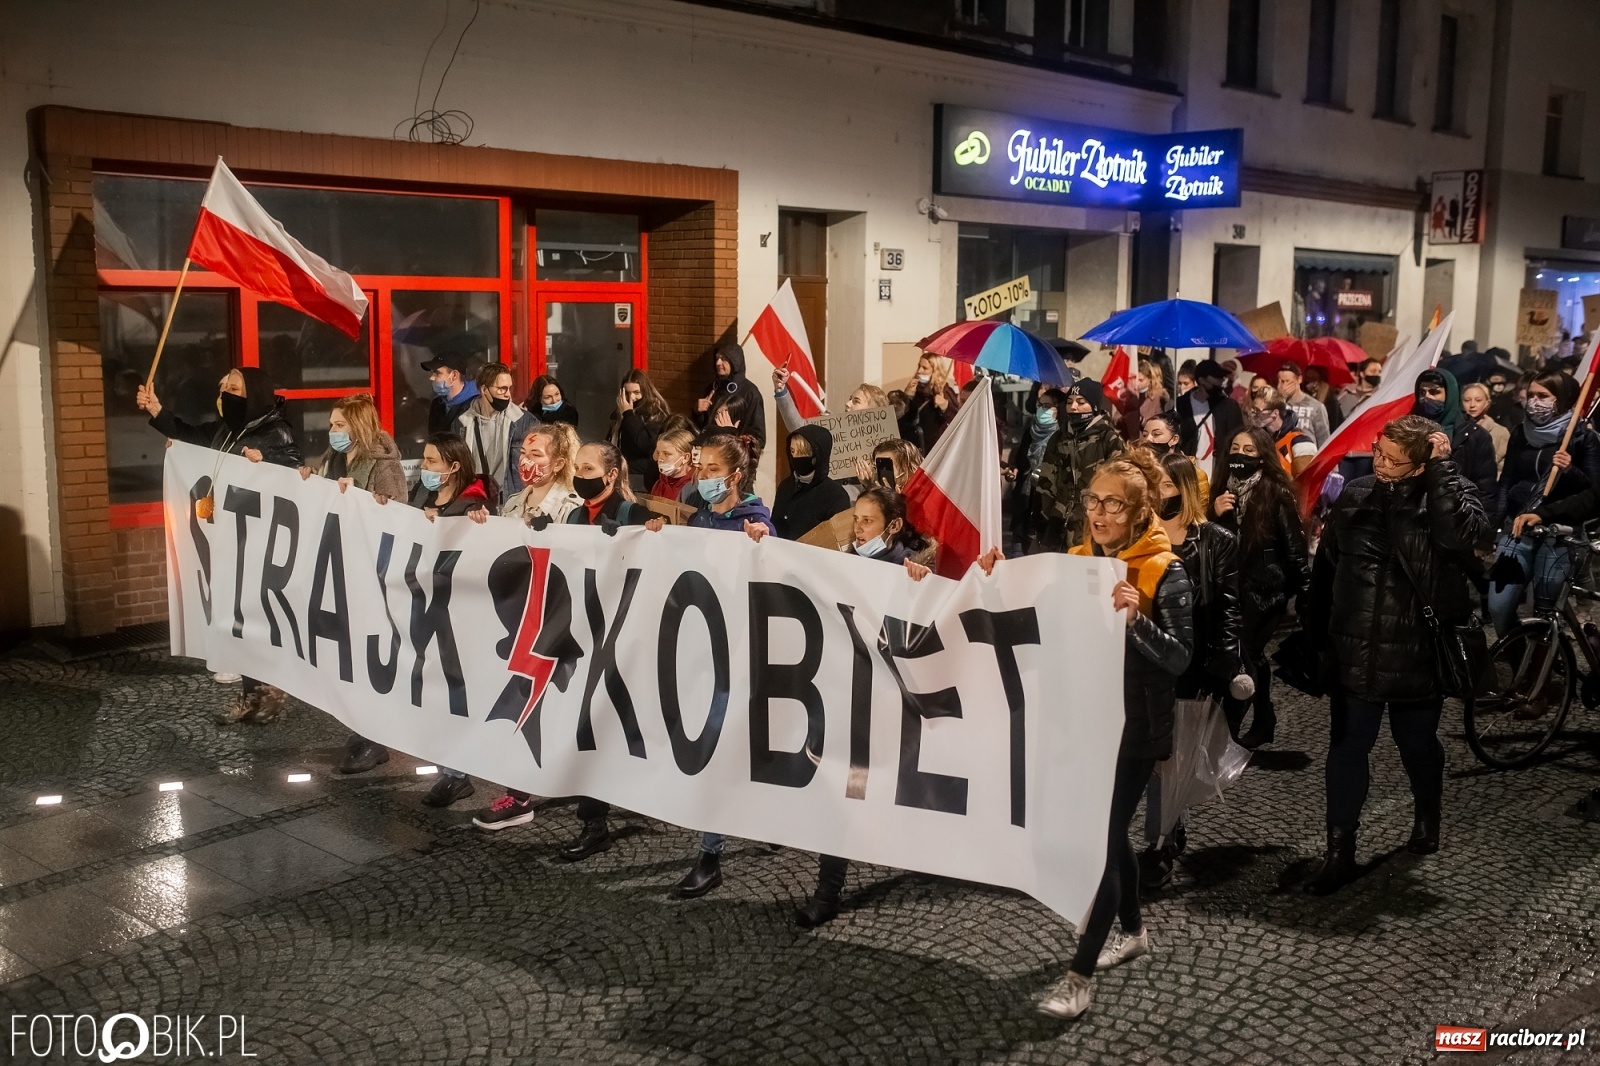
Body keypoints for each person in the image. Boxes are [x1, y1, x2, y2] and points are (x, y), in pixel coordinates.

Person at [1031, 450, 1193, 1019]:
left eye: (1113, 505)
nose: (1099, 514)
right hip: (1086, 721)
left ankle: (1078, 978)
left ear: (1138, 511)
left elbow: (1180, 658)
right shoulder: (1077, 561)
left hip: (1137, 730)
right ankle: (1135, 930)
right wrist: (995, 576)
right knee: (1111, 832)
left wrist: (1137, 621)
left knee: (1102, 842)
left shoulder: (1163, 570)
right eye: (1093, 501)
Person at [1302, 415, 1488, 894]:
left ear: (1420, 464)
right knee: (1346, 751)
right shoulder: (1358, 492)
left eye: (1393, 460)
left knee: (1417, 746)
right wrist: (1314, 634)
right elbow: (1328, 566)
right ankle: (1339, 851)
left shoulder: (1449, 494)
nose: (1381, 464)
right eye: (1379, 452)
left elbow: (1458, 539)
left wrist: (1442, 471)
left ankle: (1428, 811)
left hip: (1415, 652)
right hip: (1355, 649)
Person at [793, 487, 933, 929]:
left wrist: (919, 589)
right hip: (845, 695)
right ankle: (828, 888)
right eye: (856, 519)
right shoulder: (842, 561)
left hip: (888, 701)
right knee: (843, 786)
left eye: (868, 521)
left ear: (893, 527)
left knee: (893, 784)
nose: (858, 528)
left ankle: (925, 847)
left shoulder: (908, 570)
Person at [137, 366, 303, 722]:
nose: (224, 390)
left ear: (253, 394)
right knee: (234, 618)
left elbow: (294, 473)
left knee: (259, 617)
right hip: (228, 537)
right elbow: (189, 436)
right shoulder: (227, 429)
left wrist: (267, 463)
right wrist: (157, 411)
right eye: (223, 384)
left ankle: (272, 688)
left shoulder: (275, 432)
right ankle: (250, 691)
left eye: (234, 387)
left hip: (259, 543)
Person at [672, 432, 777, 898]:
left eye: (713, 471)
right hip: (700, 651)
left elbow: (779, 573)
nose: (703, 477)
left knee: (722, 749)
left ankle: (709, 855)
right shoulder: (696, 520)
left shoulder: (754, 524)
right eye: (701, 469)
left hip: (741, 656)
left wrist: (765, 544)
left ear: (735, 475)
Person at [1140, 449, 1242, 888]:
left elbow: (1227, 609)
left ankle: (1157, 845)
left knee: (1172, 760)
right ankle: (1165, 829)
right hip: (1142, 663)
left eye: (1163, 486)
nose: (1156, 494)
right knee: (1148, 759)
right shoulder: (1137, 537)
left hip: (1189, 666)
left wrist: (1226, 665)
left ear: (1180, 488)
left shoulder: (1217, 541)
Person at [554, 441, 657, 858]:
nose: (580, 474)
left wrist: (644, 536)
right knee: (589, 727)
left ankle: (634, 794)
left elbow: (662, 554)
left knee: (621, 723)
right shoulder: (576, 515)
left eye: (588, 467)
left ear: (611, 475)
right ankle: (593, 821)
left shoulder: (632, 513)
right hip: (585, 636)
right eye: (577, 467)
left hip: (623, 637)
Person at [299, 392, 407, 774]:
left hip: (370, 573)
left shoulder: (382, 464)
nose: (333, 431)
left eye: (340, 425)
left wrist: (365, 499)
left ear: (358, 426)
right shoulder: (333, 459)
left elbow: (398, 516)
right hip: (340, 570)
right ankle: (360, 729)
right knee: (346, 656)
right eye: (331, 424)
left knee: (366, 657)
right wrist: (309, 482)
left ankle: (374, 738)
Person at [387, 433, 491, 808]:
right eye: (425, 460)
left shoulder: (472, 507)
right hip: (424, 602)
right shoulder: (423, 495)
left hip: (453, 610)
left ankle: (457, 773)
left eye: (432, 462)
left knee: (453, 687)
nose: (425, 468)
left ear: (453, 468)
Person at [1212, 427, 1309, 748]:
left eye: (1249, 451)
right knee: (1250, 657)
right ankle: (1265, 717)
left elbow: (1295, 548)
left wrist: (1305, 594)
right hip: (1231, 588)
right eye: (1235, 448)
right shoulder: (1221, 490)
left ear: (1263, 458)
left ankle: (1230, 726)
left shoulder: (1274, 493)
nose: (1240, 455)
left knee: (1244, 654)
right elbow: (1217, 544)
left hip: (1265, 592)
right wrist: (1217, 516)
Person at [1489, 371, 1600, 634]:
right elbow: (1507, 482)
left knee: (1545, 612)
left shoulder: (1582, 437)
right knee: (1499, 606)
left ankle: (1539, 670)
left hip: (1558, 536)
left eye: (1543, 396)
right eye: (1532, 395)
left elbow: (1594, 494)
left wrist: (1570, 470)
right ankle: (1517, 662)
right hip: (1516, 530)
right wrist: (1494, 525)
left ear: (1562, 399)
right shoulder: (1520, 434)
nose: (1534, 401)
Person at [1036, 380, 1124, 551]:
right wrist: (1044, 518)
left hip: (1092, 531)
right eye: (1069, 402)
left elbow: (1120, 488)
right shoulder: (1058, 438)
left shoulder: (1109, 439)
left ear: (1094, 406)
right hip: (1056, 530)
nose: (1074, 407)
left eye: (1081, 402)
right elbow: (1045, 484)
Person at [1412, 368, 1497, 507]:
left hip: (1456, 514)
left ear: (1450, 394)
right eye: (1422, 392)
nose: (1427, 397)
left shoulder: (1473, 435)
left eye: (1434, 392)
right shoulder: (1408, 430)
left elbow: (1485, 487)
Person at [1005, 387, 1063, 554]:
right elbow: (1019, 462)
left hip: (1045, 513)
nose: (1041, 410)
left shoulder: (1062, 436)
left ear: (1058, 409)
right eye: (1039, 405)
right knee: (1017, 557)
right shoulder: (1029, 433)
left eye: (1047, 406)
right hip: (1023, 507)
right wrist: (1014, 471)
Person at [771, 424, 850, 541]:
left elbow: (837, 541)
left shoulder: (836, 495)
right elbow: (776, 527)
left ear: (817, 456)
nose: (796, 457)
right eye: (792, 451)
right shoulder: (785, 487)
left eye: (802, 453)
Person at [457, 362, 522, 505]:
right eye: (502, 389)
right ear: (484, 389)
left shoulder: (523, 421)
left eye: (509, 388)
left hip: (510, 503)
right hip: (474, 502)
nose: (508, 394)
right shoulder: (462, 422)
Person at [498, 424, 581, 527]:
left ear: (558, 464)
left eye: (536, 455)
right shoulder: (511, 504)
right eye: (523, 452)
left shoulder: (571, 508)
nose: (525, 460)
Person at [1176, 359, 1243, 485]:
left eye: (1222, 376)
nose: (1222, 380)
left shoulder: (1229, 406)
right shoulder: (1181, 404)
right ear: (1202, 380)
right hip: (1189, 474)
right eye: (1217, 377)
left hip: (1217, 475)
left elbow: (1237, 438)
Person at [772, 367, 891, 432]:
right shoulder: (832, 427)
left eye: (856, 401)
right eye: (850, 399)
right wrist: (781, 389)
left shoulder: (885, 447)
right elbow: (798, 427)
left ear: (872, 411)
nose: (847, 403)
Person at [610, 368, 671, 489]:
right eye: (627, 393)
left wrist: (628, 414)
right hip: (623, 469)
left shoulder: (656, 412)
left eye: (636, 392)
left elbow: (646, 444)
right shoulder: (622, 411)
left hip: (641, 474)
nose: (631, 397)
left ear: (645, 391)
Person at [695, 342, 766, 447]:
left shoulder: (750, 393)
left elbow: (758, 439)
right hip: (709, 452)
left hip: (735, 457)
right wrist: (697, 413)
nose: (718, 363)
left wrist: (733, 435)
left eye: (724, 359)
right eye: (717, 358)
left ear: (735, 362)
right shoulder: (711, 389)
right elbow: (702, 428)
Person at [1248, 388, 1318, 477]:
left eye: (1259, 410)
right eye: (1253, 409)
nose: (1255, 414)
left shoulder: (1300, 441)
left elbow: (1306, 481)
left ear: (1275, 413)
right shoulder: (1258, 439)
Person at [899, 354, 958, 451]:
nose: (919, 371)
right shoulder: (914, 389)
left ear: (935, 370)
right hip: (913, 444)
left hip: (933, 447)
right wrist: (908, 394)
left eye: (924, 368)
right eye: (919, 366)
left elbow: (955, 419)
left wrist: (944, 405)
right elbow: (904, 416)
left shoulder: (945, 391)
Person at [423, 350, 481, 436]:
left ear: (454, 375)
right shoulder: (437, 404)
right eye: (432, 373)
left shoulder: (476, 405)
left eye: (437, 373)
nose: (431, 378)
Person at [1276, 363, 1332, 447]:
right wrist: (1280, 400)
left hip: (1308, 455)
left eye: (1287, 381)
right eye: (1281, 381)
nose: (1283, 386)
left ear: (1299, 379)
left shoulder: (1316, 407)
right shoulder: (1277, 405)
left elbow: (1324, 440)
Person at [1461, 382, 1509, 476]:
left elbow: (1502, 469)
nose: (1472, 405)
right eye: (1467, 400)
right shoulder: (1456, 428)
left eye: (1478, 400)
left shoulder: (1501, 433)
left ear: (1487, 403)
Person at [650, 425, 697, 501]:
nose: (660, 459)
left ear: (685, 457)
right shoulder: (660, 483)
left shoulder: (695, 488)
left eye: (666, 454)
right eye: (658, 453)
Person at [1301, 365, 1345, 435]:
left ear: (1321, 381)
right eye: (1307, 378)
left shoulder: (1330, 402)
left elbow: (1334, 427)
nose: (1309, 382)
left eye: (1313, 379)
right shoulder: (1301, 396)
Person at [1486, 366, 1525, 431]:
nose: (1498, 383)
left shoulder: (1511, 398)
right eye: (1495, 379)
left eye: (1500, 379)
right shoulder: (1486, 397)